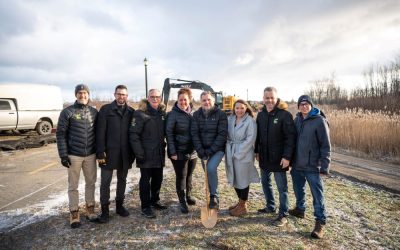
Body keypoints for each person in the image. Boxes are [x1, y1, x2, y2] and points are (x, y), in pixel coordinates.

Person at [56, 84, 98, 228]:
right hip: (74, 155)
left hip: (91, 155)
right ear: (75, 95)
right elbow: (60, 134)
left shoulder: (94, 112)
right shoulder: (68, 112)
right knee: (73, 186)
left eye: (85, 93)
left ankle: (90, 209)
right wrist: (63, 155)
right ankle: (74, 212)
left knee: (91, 183)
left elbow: (99, 133)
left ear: (88, 94)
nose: (82, 95)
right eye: (79, 93)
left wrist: (100, 152)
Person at [289, 95, 331, 239]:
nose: (304, 106)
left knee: (317, 195)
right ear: (298, 106)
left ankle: (320, 222)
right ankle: (300, 209)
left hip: (313, 166)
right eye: (301, 104)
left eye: (307, 104)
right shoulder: (297, 120)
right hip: (297, 164)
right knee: (297, 188)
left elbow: (325, 145)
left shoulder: (319, 121)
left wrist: (325, 166)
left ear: (311, 105)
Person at [255, 87, 296, 227]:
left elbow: (290, 138)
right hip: (264, 157)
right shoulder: (261, 115)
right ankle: (270, 206)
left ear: (277, 98)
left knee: (281, 187)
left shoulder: (284, 115)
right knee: (266, 183)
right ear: (263, 98)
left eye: (272, 97)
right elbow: (258, 135)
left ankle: (283, 214)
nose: (269, 100)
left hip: (279, 158)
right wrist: (256, 151)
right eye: (267, 97)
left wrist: (287, 157)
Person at [96, 85, 135, 223]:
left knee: (122, 180)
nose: (121, 97)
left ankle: (119, 206)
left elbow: (133, 134)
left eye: (124, 94)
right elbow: (100, 133)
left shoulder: (131, 112)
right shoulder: (106, 110)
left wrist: (133, 153)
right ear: (114, 94)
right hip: (108, 153)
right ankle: (104, 212)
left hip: (125, 153)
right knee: (105, 182)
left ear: (127, 96)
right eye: (119, 94)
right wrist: (100, 152)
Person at [129, 89, 167, 219]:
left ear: (160, 98)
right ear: (148, 98)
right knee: (145, 181)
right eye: (152, 97)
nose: (155, 99)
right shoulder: (140, 114)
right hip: (145, 154)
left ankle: (154, 200)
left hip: (159, 153)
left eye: (157, 97)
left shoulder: (162, 114)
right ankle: (145, 206)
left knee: (158, 179)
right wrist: (139, 153)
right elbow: (134, 135)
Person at [191, 91, 228, 209]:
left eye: (208, 100)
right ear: (200, 102)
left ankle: (214, 196)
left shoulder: (221, 114)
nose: (206, 102)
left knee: (211, 168)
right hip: (203, 150)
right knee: (207, 172)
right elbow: (194, 133)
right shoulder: (196, 115)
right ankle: (211, 196)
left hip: (217, 149)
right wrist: (200, 150)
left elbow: (222, 134)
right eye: (204, 100)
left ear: (213, 101)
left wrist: (211, 150)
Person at [225, 99, 260, 216]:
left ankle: (242, 206)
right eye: (237, 108)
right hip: (231, 150)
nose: (239, 110)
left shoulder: (250, 121)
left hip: (244, 153)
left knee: (243, 180)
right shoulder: (230, 119)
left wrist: (238, 153)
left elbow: (250, 139)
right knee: (234, 177)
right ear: (234, 109)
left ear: (246, 108)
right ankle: (240, 202)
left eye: (242, 108)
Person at [165, 88, 197, 214]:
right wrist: (172, 152)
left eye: (185, 99)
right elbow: (169, 133)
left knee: (189, 175)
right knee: (181, 176)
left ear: (189, 100)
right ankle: (182, 200)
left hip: (193, 152)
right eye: (180, 100)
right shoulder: (172, 114)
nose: (183, 102)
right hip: (178, 152)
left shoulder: (194, 113)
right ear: (177, 100)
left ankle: (188, 195)